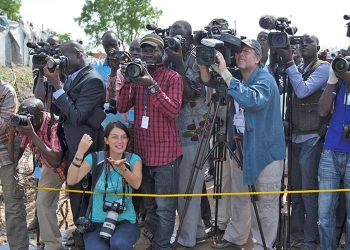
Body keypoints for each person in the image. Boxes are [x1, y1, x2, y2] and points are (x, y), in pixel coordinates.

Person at [203, 39, 286, 249]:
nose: (241, 54)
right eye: (239, 51)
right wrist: (205, 60)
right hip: (240, 149)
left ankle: (263, 245)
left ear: (258, 58)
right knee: (239, 197)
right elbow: (208, 82)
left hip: (265, 152)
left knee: (265, 203)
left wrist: (226, 73)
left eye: (247, 52)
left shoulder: (265, 80)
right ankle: (235, 237)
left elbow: (251, 100)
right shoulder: (237, 76)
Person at [117, 33, 183, 250]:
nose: (148, 54)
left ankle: (161, 246)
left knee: (165, 207)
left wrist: (152, 84)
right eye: (144, 50)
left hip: (165, 155)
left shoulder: (173, 78)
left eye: (153, 50)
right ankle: (157, 241)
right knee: (151, 206)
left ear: (162, 53)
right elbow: (122, 107)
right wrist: (128, 80)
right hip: (143, 155)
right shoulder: (135, 78)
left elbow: (173, 111)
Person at [275, 34, 329, 250]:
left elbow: (303, 90)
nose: (303, 45)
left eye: (308, 42)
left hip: (312, 139)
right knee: (295, 189)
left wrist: (289, 62)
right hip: (295, 138)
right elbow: (280, 89)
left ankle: (310, 239)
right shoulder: (299, 67)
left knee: (308, 191)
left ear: (318, 46)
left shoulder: (323, 68)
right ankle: (296, 234)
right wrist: (278, 60)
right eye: (300, 42)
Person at [43, 40, 106, 224]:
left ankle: (87, 237)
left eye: (65, 57)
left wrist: (57, 86)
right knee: (75, 194)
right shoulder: (72, 76)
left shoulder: (92, 79)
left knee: (84, 194)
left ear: (78, 53)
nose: (62, 62)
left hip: (85, 146)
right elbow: (57, 112)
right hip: (70, 144)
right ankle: (80, 234)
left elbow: (77, 116)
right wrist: (54, 83)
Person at [164, 20, 209, 248]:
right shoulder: (169, 55)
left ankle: (186, 239)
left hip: (195, 130)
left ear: (190, 38)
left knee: (188, 186)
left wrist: (179, 63)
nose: (176, 41)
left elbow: (191, 94)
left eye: (181, 37)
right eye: (172, 36)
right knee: (187, 185)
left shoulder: (198, 57)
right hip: (175, 129)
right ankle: (197, 231)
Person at [66, 121, 142, 250]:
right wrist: (80, 152)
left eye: (124, 137)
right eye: (115, 137)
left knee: (119, 244)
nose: (120, 141)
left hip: (125, 221)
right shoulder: (95, 158)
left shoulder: (133, 159)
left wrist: (122, 168)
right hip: (96, 222)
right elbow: (72, 180)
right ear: (106, 140)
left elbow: (136, 184)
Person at [14, 97, 66, 250]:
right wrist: (13, 132)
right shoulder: (29, 125)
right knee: (43, 203)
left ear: (41, 113)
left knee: (78, 203)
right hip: (50, 167)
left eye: (30, 116)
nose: (27, 120)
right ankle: (53, 245)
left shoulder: (54, 124)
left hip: (68, 165)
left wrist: (32, 135)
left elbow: (57, 160)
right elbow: (15, 156)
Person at [317, 61, 350, 249]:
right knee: (325, 213)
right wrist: (331, 80)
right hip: (330, 150)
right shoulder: (339, 83)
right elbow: (322, 111)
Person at [0, 79, 29, 250]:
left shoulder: (6, 91)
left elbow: (3, 126)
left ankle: (18, 247)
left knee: (13, 204)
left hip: (6, 154)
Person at [93, 31, 127, 128]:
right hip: (104, 123)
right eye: (107, 46)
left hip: (125, 122)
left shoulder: (127, 65)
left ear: (119, 44)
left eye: (113, 45)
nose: (110, 49)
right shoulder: (96, 67)